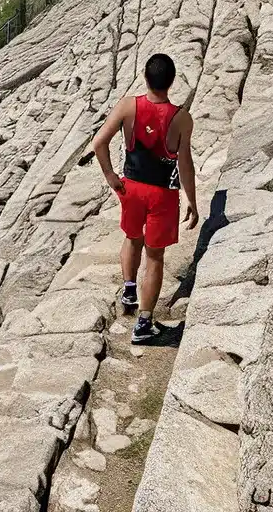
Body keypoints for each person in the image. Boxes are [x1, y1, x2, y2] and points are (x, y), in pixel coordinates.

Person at [91, 53, 198, 344]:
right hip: (162, 193)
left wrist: (112, 177)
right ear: (172, 81)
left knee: (131, 236)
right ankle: (144, 324)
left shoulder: (129, 106)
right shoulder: (181, 118)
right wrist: (192, 200)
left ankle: (129, 287)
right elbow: (184, 164)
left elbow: (99, 142)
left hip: (131, 187)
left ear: (145, 77)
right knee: (155, 257)